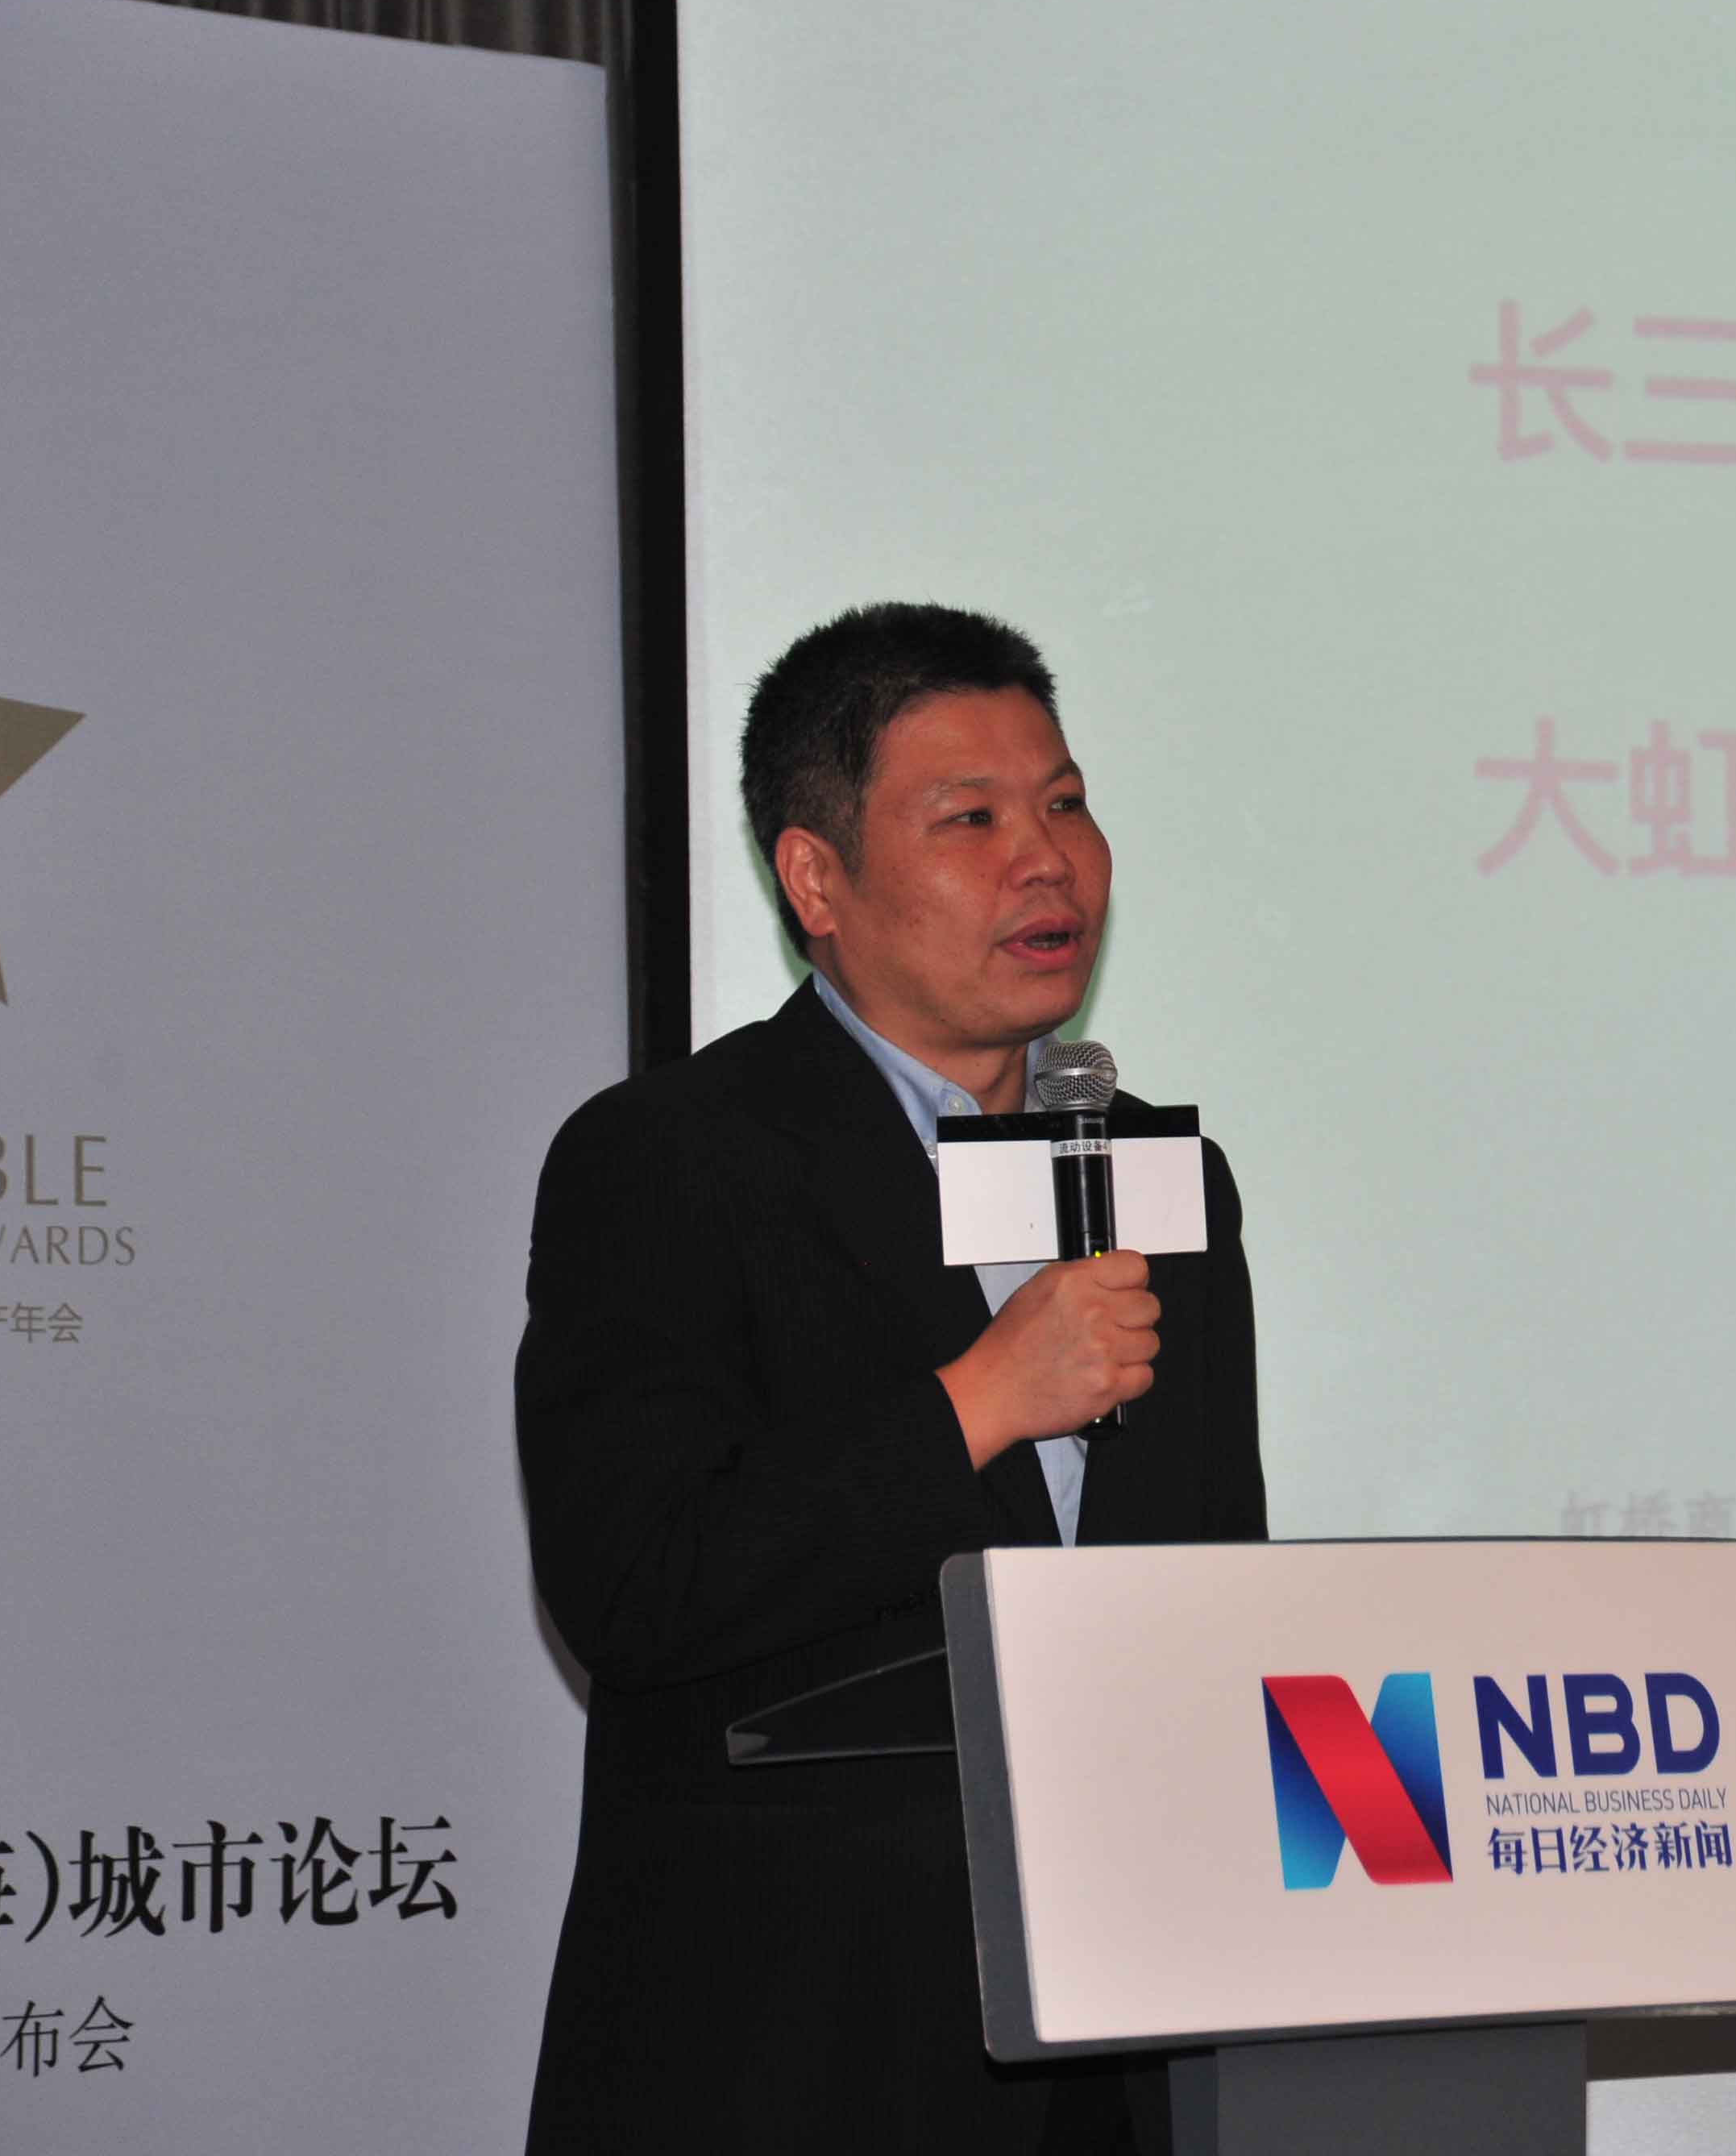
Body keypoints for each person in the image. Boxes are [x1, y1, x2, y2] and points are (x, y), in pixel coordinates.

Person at [516, 604, 1263, 2154]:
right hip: (797, 2054)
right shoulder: (670, 1160)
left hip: (1124, 2064)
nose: (1048, 860)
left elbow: (1214, 1580)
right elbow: (634, 1585)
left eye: (1066, 803)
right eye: (972, 820)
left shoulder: (1160, 1175)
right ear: (816, 879)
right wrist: (976, 1402)